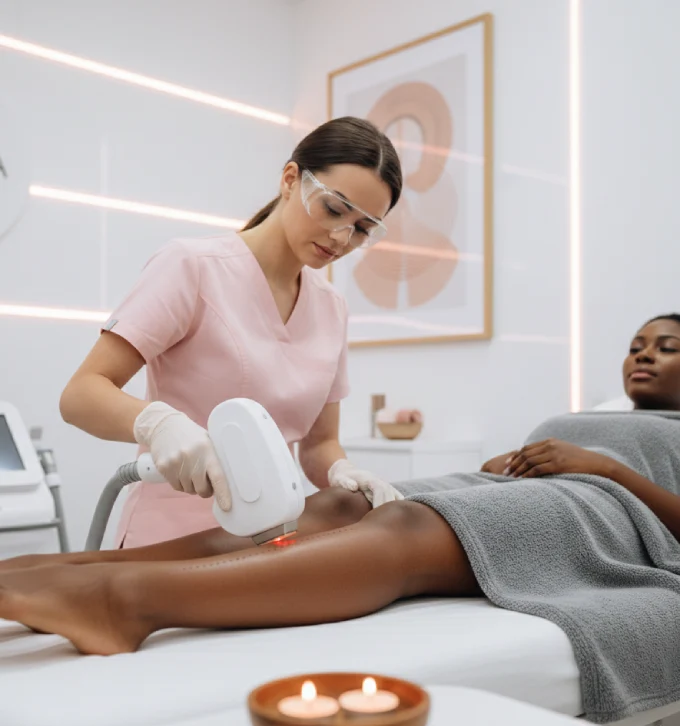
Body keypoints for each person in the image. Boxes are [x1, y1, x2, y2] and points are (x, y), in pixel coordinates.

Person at [1, 314, 679, 659]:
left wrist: (604, 467)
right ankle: (77, 566)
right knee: (340, 502)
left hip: (606, 512)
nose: (642, 353)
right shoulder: (590, 412)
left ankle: (126, 602)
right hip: (516, 488)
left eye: (666, 346)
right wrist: (519, 459)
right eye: (636, 343)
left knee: (409, 527)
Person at [58, 117, 405, 549]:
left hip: (273, 539)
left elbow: (319, 446)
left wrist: (342, 472)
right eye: (334, 209)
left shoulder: (332, 308)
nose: (340, 236)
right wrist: (158, 424)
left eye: (362, 229)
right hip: (169, 541)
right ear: (290, 179)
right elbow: (79, 396)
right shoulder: (193, 267)